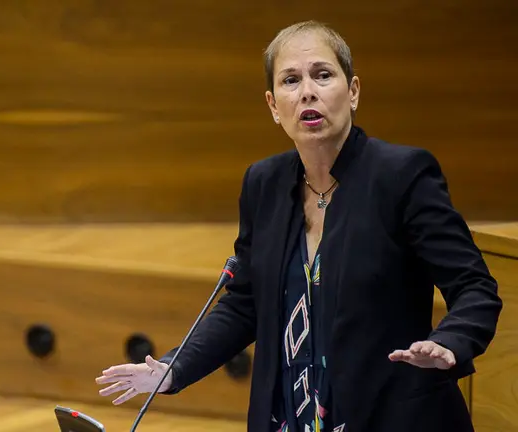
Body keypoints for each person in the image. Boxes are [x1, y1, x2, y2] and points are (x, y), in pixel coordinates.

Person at [95, 20, 502, 432]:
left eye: (323, 75)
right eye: (291, 80)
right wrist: (174, 367)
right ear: (274, 105)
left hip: (390, 416)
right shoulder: (264, 184)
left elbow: (475, 288)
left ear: (354, 91)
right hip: (289, 418)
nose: (308, 90)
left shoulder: (402, 177)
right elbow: (244, 304)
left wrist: (449, 342)